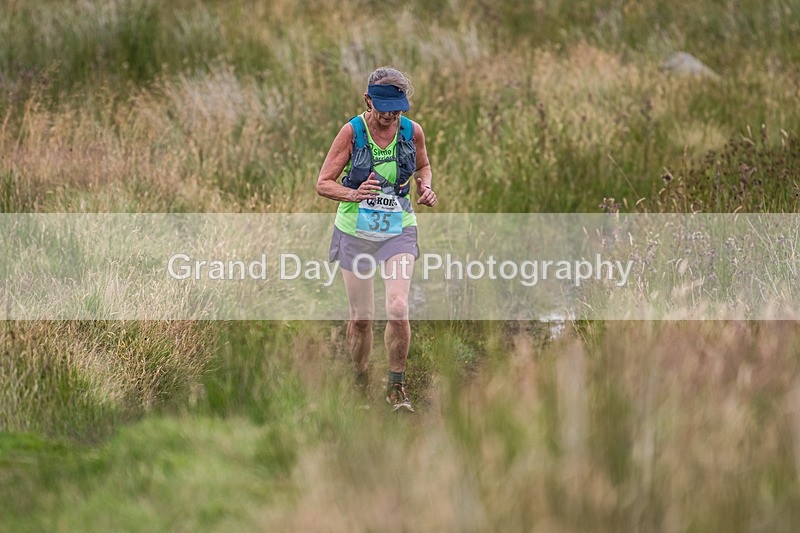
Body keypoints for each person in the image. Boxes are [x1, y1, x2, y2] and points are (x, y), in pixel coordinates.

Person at [316, 67, 436, 412]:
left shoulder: (412, 131)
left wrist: (425, 186)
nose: (390, 117)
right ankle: (359, 380)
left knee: (397, 309)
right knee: (362, 317)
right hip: (355, 232)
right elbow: (323, 183)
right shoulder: (351, 132)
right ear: (368, 101)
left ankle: (396, 388)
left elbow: (423, 166)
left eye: (397, 110)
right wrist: (354, 194)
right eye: (383, 109)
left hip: (398, 229)